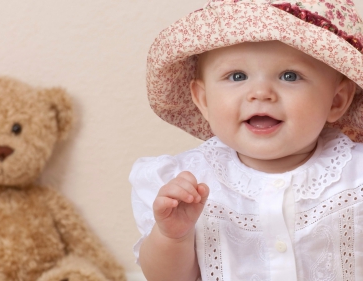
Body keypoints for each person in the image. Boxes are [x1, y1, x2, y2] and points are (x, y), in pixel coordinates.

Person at [129, 1, 363, 280]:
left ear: (336, 101)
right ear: (204, 100)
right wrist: (173, 237)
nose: (260, 93)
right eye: (237, 76)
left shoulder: (356, 178)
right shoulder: (183, 184)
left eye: (289, 76)